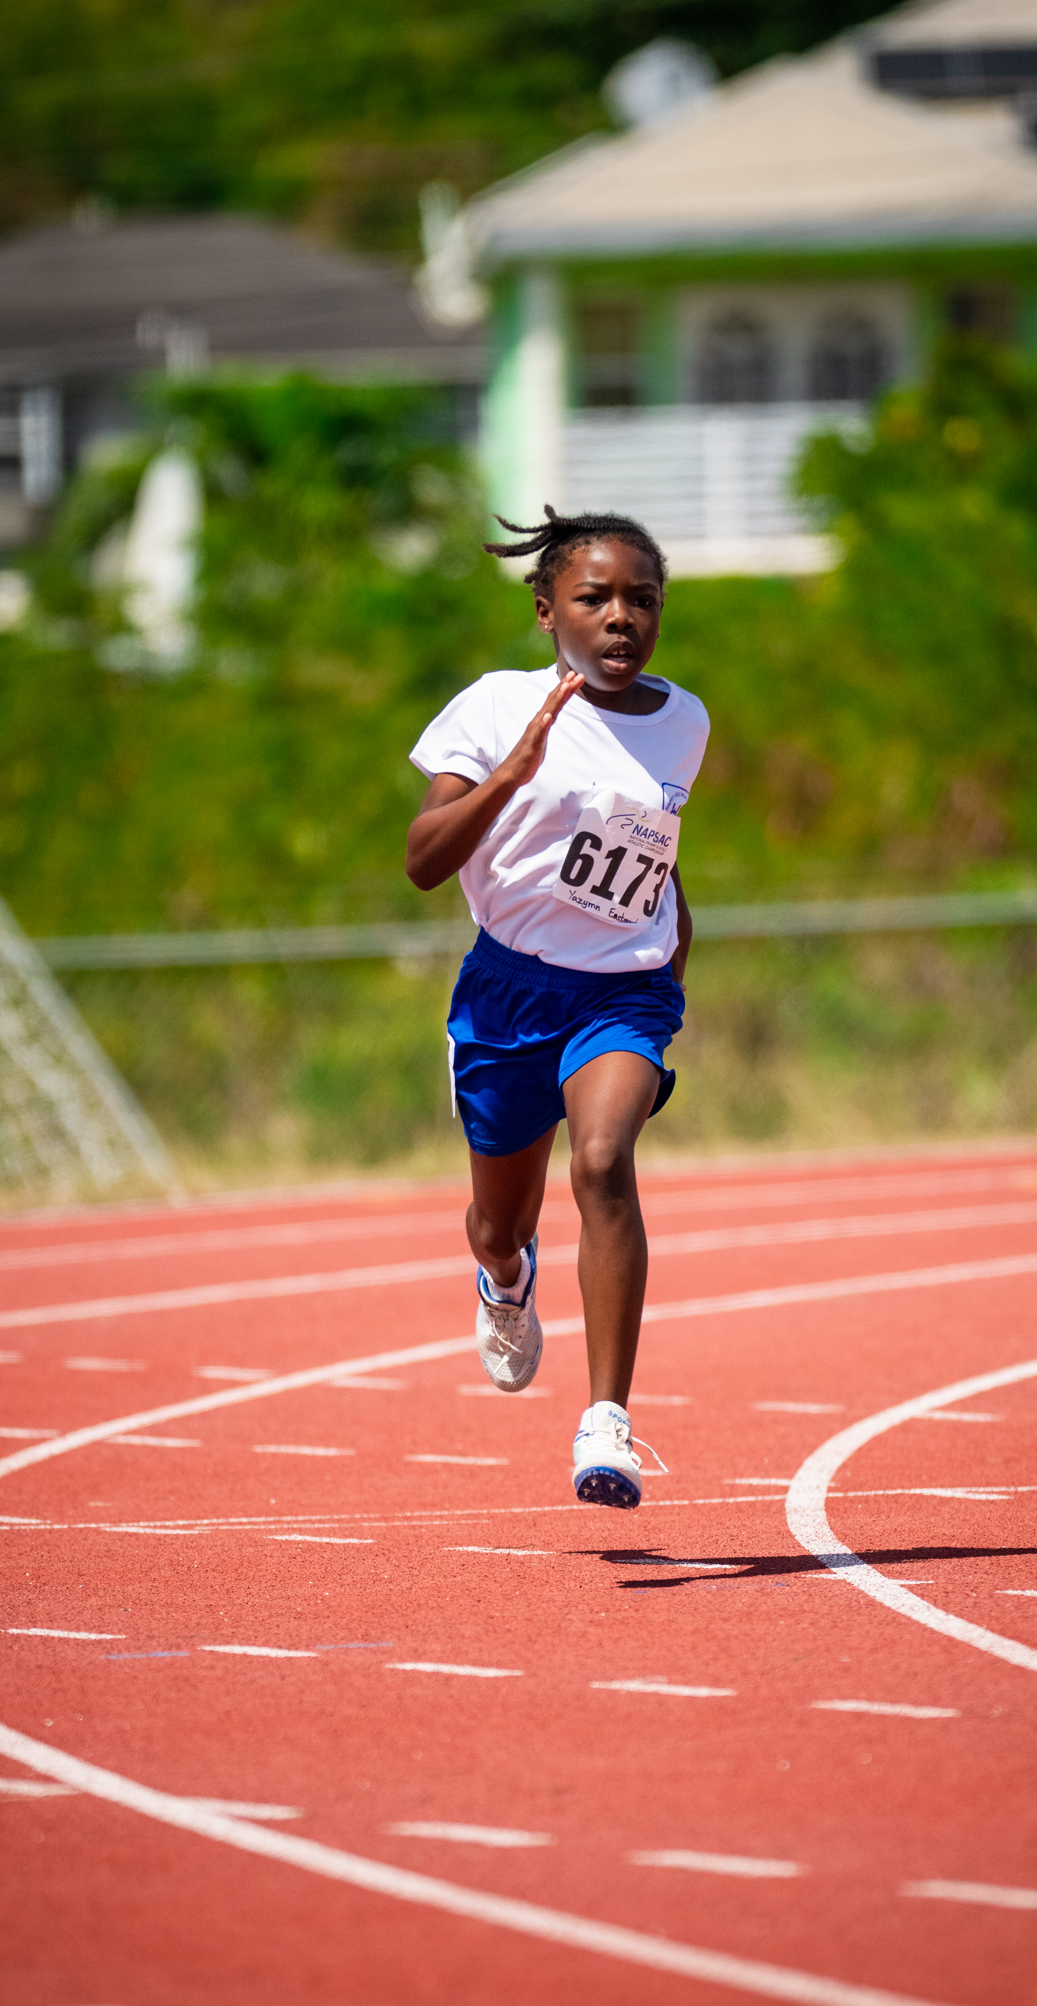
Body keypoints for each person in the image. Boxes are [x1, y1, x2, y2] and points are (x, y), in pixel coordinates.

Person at [405, 506, 709, 1508]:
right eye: (595, 598)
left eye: (642, 600)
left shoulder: (684, 720)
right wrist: (511, 773)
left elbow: (649, 842)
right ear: (547, 611)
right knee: (498, 1224)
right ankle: (504, 1277)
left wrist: (672, 941)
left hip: (623, 989)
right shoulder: (495, 706)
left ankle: (605, 1420)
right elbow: (422, 860)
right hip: (507, 992)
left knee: (601, 1160)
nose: (621, 617)